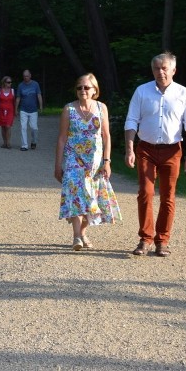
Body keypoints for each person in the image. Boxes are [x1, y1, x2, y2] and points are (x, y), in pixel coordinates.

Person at [124, 52, 186, 258]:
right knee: (146, 192)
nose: (160, 72)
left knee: (168, 196)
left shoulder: (184, 94)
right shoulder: (142, 91)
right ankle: (145, 239)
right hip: (146, 149)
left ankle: (162, 241)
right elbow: (131, 121)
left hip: (172, 150)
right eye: (157, 68)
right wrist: (130, 149)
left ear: (173, 70)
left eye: (165, 68)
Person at [54, 73, 121, 250]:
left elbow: (106, 136)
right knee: (76, 196)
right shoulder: (68, 109)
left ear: (94, 90)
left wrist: (107, 161)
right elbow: (61, 138)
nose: (82, 90)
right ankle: (76, 237)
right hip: (73, 160)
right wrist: (58, 165)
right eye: (79, 87)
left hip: (95, 162)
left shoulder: (101, 108)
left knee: (93, 200)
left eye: (86, 87)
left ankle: (83, 232)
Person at [15, 69, 43, 151]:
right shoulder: (21, 85)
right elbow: (18, 98)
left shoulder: (35, 84)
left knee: (34, 128)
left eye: (27, 76)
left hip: (33, 110)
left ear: (30, 76)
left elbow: (39, 95)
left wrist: (41, 106)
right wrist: (16, 109)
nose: (25, 78)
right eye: (24, 76)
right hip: (23, 109)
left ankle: (33, 142)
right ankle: (24, 145)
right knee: (23, 127)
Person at [0, 76, 16, 148]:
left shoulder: (12, 91)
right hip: (1, 111)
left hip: (10, 111)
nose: (10, 84)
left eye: (11, 82)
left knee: (8, 126)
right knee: (3, 126)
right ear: (4, 83)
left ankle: (8, 142)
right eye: (8, 82)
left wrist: (16, 110)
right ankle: (4, 142)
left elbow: (14, 102)